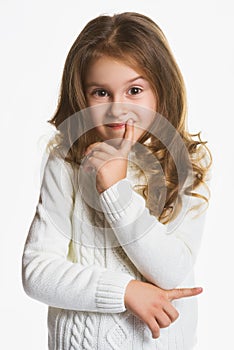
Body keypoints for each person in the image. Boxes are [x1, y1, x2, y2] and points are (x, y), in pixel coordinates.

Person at [22, 12, 212, 350]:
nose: (117, 108)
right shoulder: (66, 161)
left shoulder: (186, 165)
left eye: (135, 90)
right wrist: (125, 292)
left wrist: (115, 191)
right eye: (100, 93)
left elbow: (170, 271)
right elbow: (37, 272)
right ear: (81, 95)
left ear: (161, 91)